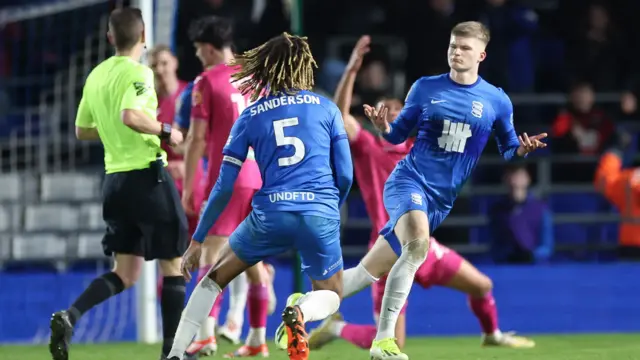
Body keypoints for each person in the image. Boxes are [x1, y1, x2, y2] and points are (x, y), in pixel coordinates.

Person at [278, 22, 547, 360]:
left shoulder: (496, 100)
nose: (456, 51)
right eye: (452, 45)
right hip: (408, 183)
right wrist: (384, 126)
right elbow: (388, 133)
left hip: (437, 203)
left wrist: (521, 150)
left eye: (464, 47)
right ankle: (383, 342)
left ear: (481, 54)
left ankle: (301, 308)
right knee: (417, 245)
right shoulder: (422, 92)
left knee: (363, 275)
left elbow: (507, 148)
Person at [166, 32, 353, 360]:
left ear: (264, 67)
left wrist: (197, 241)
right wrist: (330, 207)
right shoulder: (327, 108)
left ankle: (176, 354)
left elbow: (223, 187)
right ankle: (300, 315)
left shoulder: (252, 115)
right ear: (305, 67)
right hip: (319, 211)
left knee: (212, 280)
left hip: (271, 214)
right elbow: (346, 174)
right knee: (331, 294)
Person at [49, 8, 194, 360]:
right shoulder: (138, 71)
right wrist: (167, 131)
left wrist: (114, 129)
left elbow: (82, 130)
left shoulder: (96, 76)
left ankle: (71, 315)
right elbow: (131, 116)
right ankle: (172, 354)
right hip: (147, 176)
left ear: (110, 37)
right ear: (143, 36)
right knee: (173, 266)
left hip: (114, 182)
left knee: (125, 273)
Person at [180, 16, 273, 357]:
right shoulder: (256, 80)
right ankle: (257, 339)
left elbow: (197, 138)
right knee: (251, 261)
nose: (198, 57)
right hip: (259, 178)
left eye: (197, 51)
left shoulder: (206, 80)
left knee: (211, 254)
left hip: (228, 179)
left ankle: (205, 335)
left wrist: (190, 186)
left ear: (206, 48)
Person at [490, 163, 554, 264]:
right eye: (511, 175)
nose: (514, 180)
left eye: (518, 175)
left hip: (535, 269)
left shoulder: (541, 209)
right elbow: (496, 246)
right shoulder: (497, 211)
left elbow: (547, 247)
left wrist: (531, 256)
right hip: (507, 268)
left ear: (527, 179)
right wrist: (508, 256)